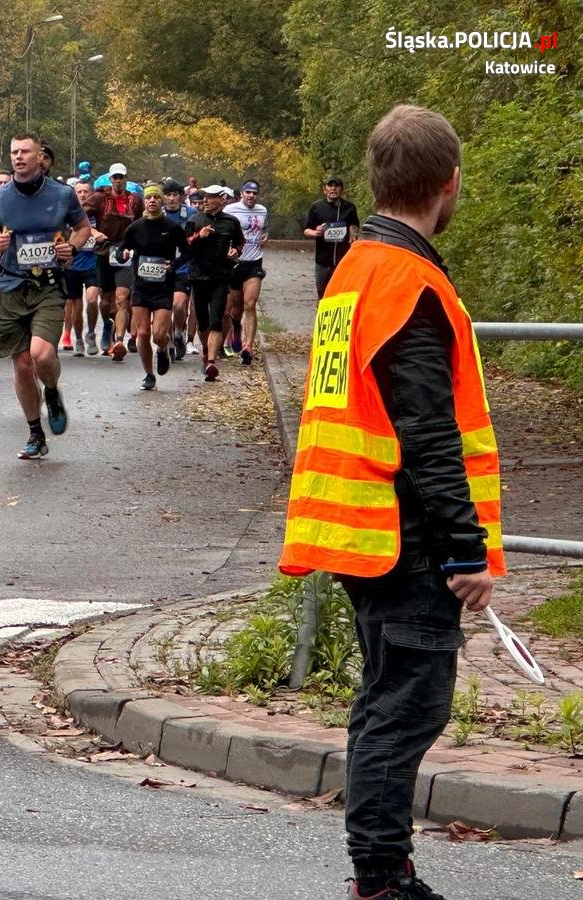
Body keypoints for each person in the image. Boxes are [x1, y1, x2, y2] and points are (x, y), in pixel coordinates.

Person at [280, 104, 503, 900]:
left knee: (385, 702)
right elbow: (428, 433)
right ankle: (380, 880)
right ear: (450, 185)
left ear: (375, 179)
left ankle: (381, 871)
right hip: (400, 533)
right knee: (405, 708)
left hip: (361, 524)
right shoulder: (410, 280)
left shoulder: (355, 268)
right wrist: (465, 550)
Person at [0, 133, 90, 460]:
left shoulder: (62, 194)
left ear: (41, 157)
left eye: (25, 151)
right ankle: (35, 433)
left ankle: (52, 392)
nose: (19, 157)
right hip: (12, 287)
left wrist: (74, 246)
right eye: (14, 152)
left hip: (48, 286)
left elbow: (82, 228)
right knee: (23, 366)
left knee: (41, 355)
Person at [117, 183, 187, 390]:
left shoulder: (172, 228)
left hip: (163, 288)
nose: (153, 200)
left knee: (158, 335)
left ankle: (163, 349)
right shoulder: (135, 227)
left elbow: (187, 252)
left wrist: (172, 265)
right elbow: (121, 252)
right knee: (143, 334)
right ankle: (149, 375)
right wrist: (124, 255)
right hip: (140, 287)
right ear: (144, 202)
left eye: (156, 197)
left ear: (161, 201)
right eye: (149, 198)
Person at [183, 186, 244, 381]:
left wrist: (236, 251)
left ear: (221, 199)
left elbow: (240, 243)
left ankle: (211, 362)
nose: (206, 201)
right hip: (198, 276)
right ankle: (205, 353)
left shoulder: (231, 222)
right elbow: (185, 246)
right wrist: (198, 237)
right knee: (203, 321)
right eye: (204, 197)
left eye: (210, 197)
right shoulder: (195, 220)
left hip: (220, 276)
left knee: (217, 318)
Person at [87, 162, 142, 360]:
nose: (118, 181)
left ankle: (119, 340)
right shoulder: (99, 198)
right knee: (106, 301)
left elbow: (143, 221)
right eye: (115, 177)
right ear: (110, 179)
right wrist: (94, 232)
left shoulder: (135, 200)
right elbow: (79, 217)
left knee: (122, 299)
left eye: (121, 177)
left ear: (126, 178)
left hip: (126, 252)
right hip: (104, 252)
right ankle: (109, 326)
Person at [223, 180, 269, 365]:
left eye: (254, 193)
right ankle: (235, 328)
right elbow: (223, 231)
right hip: (235, 263)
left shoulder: (262, 210)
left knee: (250, 303)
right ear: (242, 193)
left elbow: (264, 230)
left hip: (254, 263)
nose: (251, 196)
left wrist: (266, 236)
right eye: (248, 192)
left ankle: (248, 346)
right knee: (235, 309)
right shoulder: (230, 210)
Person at [63, 179, 106, 356]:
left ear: (91, 194)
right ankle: (79, 338)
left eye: (85, 192)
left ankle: (91, 334)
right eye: (78, 192)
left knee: (92, 299)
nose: (82, 195)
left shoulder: (98, 214)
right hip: (72, 266)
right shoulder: (67, 214)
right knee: (76, 305)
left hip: (92, 264)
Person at [304, 176, 360, 298]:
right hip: (322, 262)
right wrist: (315, 232)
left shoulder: (349, 207)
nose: (333, 188)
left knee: (341, 297)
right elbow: (306, 230)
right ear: (325, 190)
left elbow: (355, 226)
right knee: (322, 297)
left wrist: (353, 231)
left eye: (336, 186)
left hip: (343, 261)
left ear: (341, 189)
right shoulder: (316, 207)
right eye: (330, 186)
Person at [161, 177, 197, 359]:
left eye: (175, 195)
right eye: (168, 195)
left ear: (181, 197)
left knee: (179, 305)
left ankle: (178, 332)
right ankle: (168, 340)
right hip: (160, 269)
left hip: (183, 268)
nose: (172, 198)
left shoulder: (191, 214)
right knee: (165, 307)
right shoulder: (156, 214)